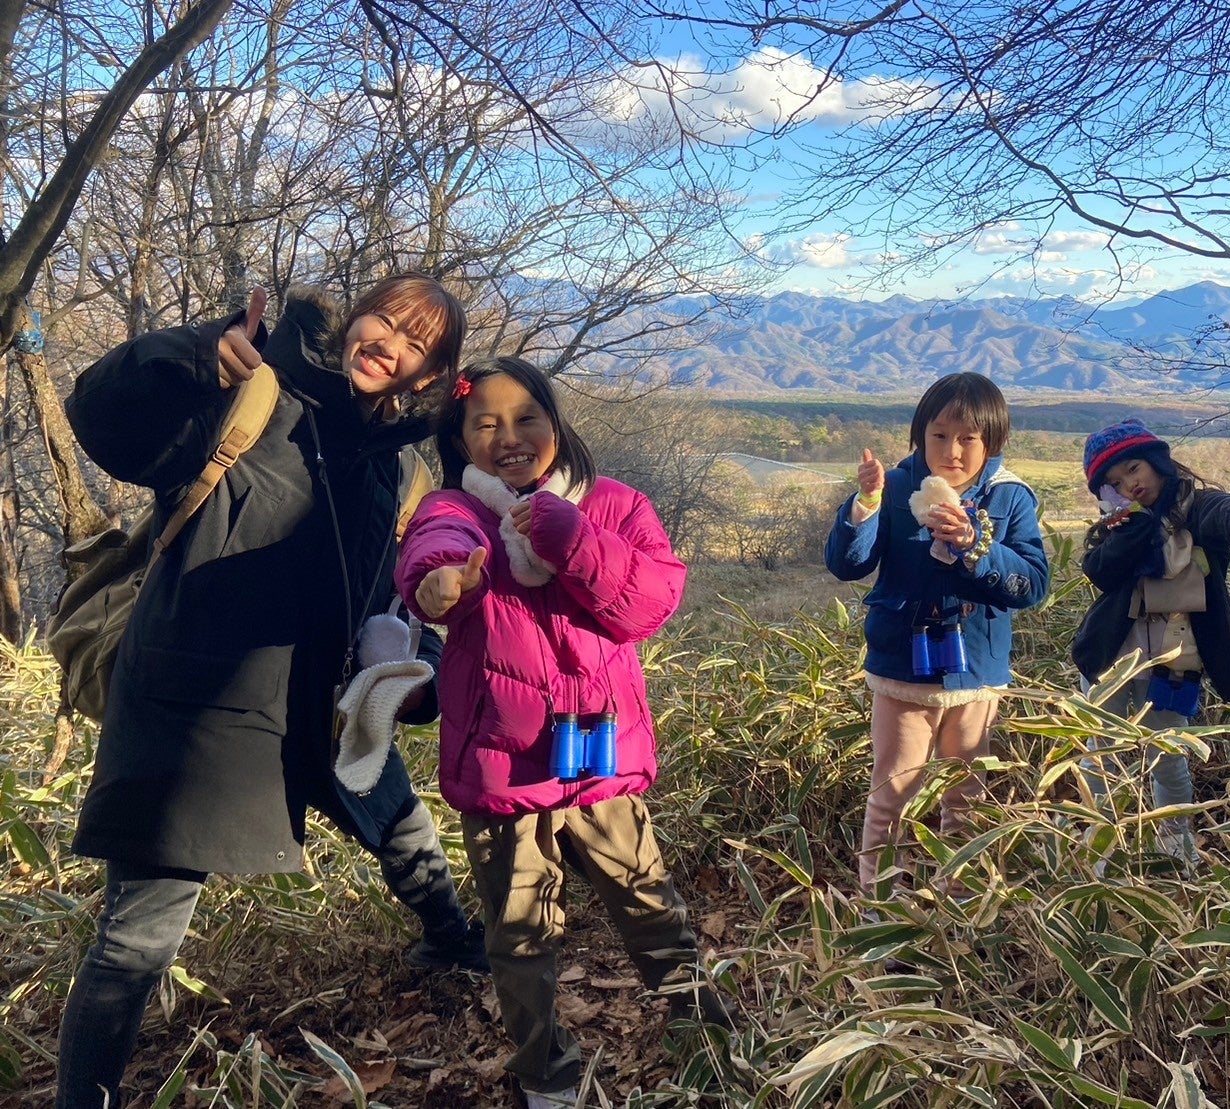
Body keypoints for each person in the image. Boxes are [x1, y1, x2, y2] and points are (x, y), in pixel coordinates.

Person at [56, 276, 485, 1109]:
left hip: (317, 704)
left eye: (415, 344)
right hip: (198, 709)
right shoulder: (248, 396)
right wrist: (190, 358)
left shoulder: (388, 467)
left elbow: (386, 593)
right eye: (384, 322)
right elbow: (101, 418)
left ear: (425, 376)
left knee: (398, 820)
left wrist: (413, 663)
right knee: (139, 937)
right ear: (356, 319)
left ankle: (453, 940)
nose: (388, 344)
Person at [395, 356, 734, 1109]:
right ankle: (545, 1071)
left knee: (650, 905)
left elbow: (648, 602)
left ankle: (709, 1035)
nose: (507, 437)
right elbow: (431, 552)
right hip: (505, 768)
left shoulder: (614, 505)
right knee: (518, 936)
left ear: (557, 422)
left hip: (598, 759)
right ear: (460, 438)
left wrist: (573, 538)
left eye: (526, 418)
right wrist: (440, 582)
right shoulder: (457, 511)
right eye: (483, 424)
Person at [824, 373, 1050, 896]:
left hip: (977, 671)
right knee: (894, 793)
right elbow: (846, 565)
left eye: (968, 438)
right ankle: (883, 917)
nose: (951, 451)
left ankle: (961, 909)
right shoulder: (898, 486)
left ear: (991, 441)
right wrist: (866, 503)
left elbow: (1032, 583)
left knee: (965, 797)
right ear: (920, 436)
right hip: (903, 668)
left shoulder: (1010, 498)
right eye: (939, 435)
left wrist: (976, 546)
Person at [1072, 417, 1230, 865]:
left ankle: (1177, 848)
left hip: (1174, 656)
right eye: (1114, 482)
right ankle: (1098, 848)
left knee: (1168, 754)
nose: (1130, 483)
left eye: (1133, 469)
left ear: (1156, 461)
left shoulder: (1194, 505)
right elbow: (1100, 571)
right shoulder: (1118, 524)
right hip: (1113, 655)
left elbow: (1219, 514)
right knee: (1100, 754)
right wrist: (1131, 521)